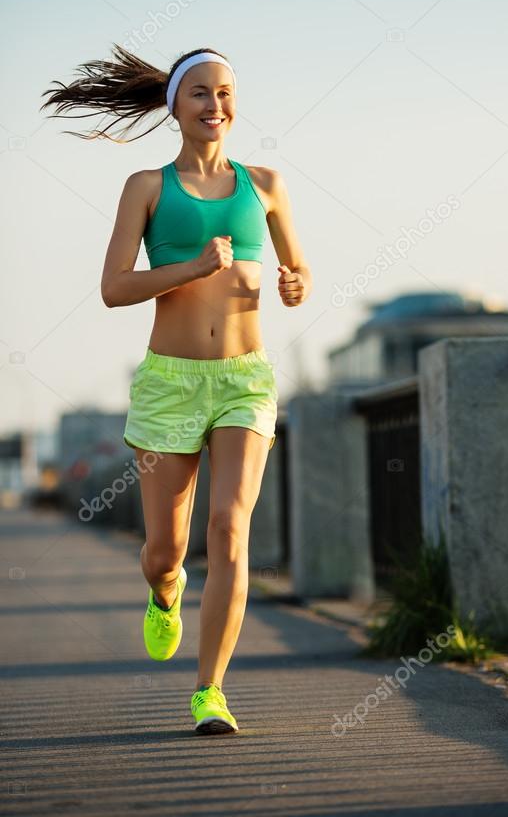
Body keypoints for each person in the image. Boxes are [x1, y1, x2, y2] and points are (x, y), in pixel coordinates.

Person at [41, 44, 312, 734]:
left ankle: (209, 689)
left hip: (245, 380)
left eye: (225, 92)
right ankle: (166, 595)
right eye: (200, 93)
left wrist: (294, 282)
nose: (215, 105)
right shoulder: (147, 187)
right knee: (166, 550)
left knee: (229, 528)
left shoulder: (268, 183)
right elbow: (112, 288)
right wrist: (190, 267)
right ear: (175, 106)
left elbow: (298, 269)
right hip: (169, 381)